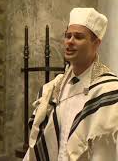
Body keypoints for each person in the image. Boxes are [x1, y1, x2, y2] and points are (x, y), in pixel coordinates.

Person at [24, 8, 118, 161]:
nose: (70, 41)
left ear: (96, 43)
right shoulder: (53, 88)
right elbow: (40, 143)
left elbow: (107, 153)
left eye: (79, 37)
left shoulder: (109, 91)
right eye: (68, 36)